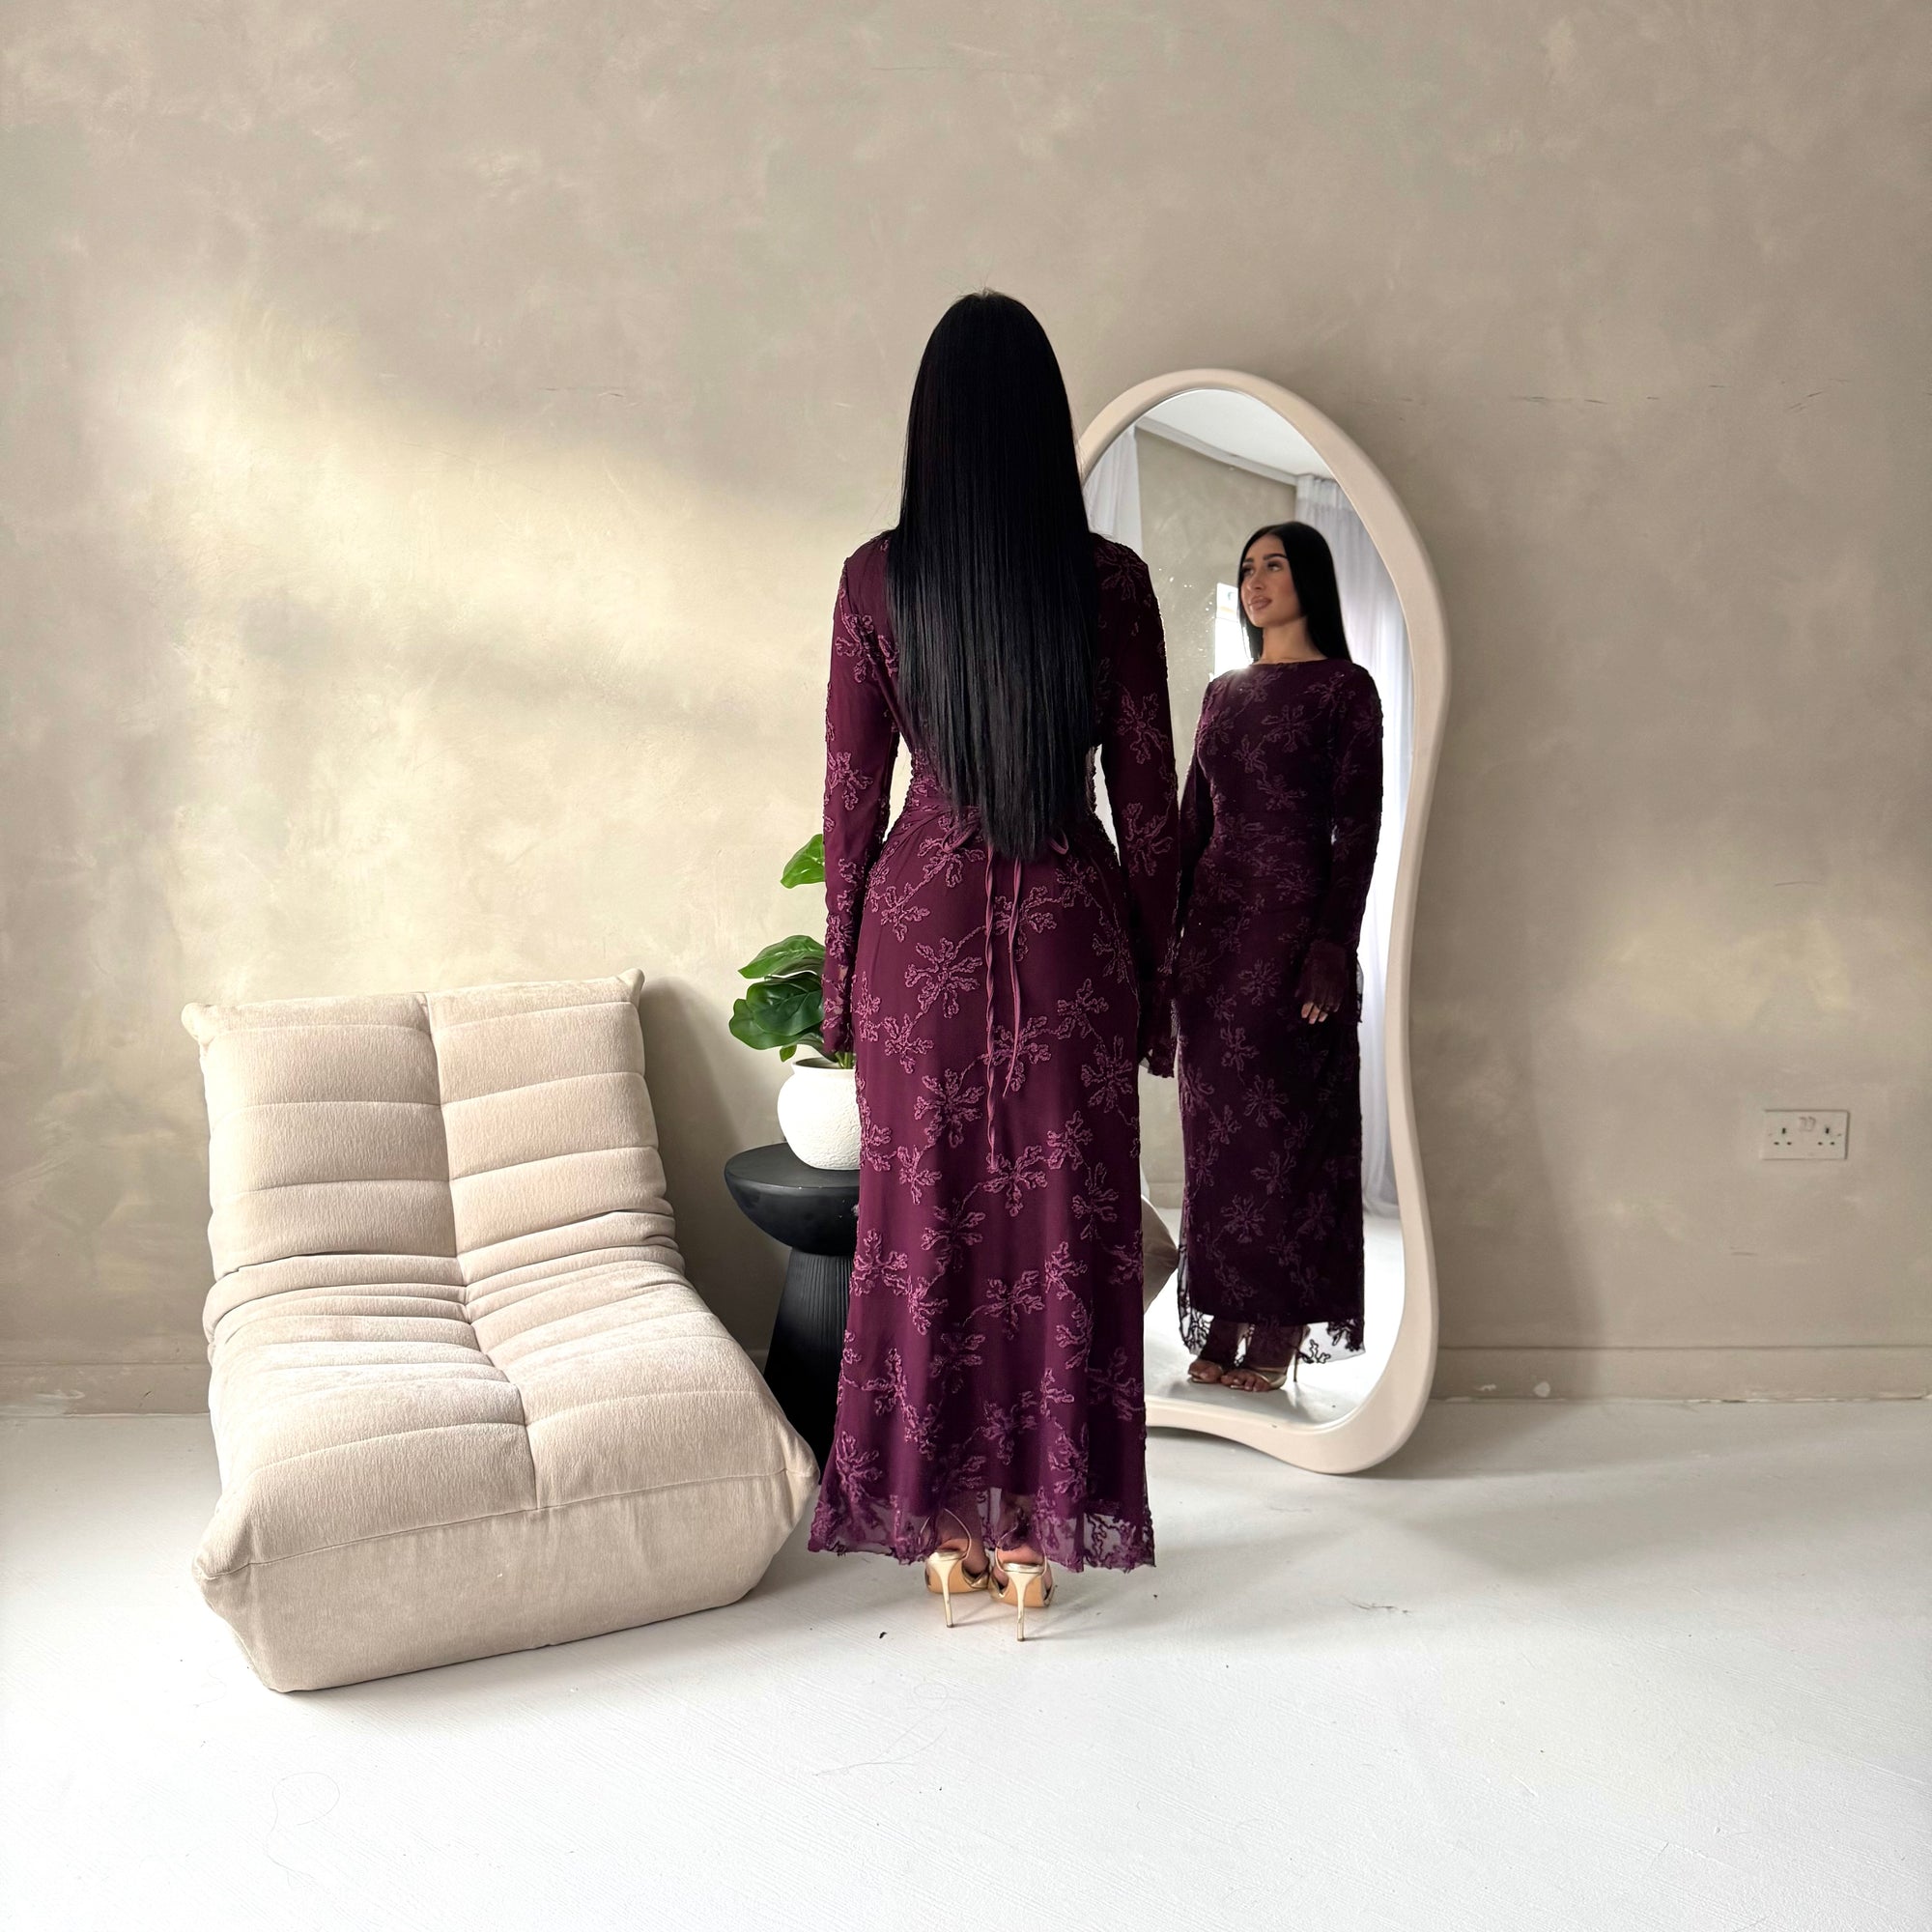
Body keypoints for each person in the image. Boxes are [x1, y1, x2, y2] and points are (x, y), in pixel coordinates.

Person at [806, 291, 1180, 1636]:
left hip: (916, 946)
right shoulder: (1109, 584)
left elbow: (850, 803)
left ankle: (949, 1526)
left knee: (926, 1237)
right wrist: (1157, 994)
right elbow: (1152, 812)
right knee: (1062, 1235)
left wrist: (840, 988)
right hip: (1068, 936)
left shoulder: (875, 581)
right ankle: (1035, 1529)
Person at [1168, 523, 1383, 1391]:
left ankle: (1282, 1320)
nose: (1256, 581)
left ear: (1311, 580)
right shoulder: (1222, 693)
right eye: (1247, 567)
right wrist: (1167, 941)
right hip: (1213, 942)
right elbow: (1193, 821)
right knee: (1216, 1141)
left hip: (1294, 931)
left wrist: (1333, 944)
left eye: (1274, 565)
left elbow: (1358, 828)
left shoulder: (1345, 688)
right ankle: (1224, 1311)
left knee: (1285, 1132)